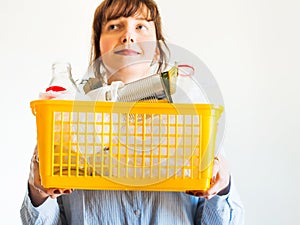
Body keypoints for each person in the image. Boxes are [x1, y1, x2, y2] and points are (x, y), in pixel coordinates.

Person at [20, 0, 245, 224]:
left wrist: (221, 187)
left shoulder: (192, 122)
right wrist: (38, 191)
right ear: (99, 45)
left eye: (141, 27)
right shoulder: (66, 118)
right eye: (114, 26)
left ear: (156, 49)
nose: (128, 36)